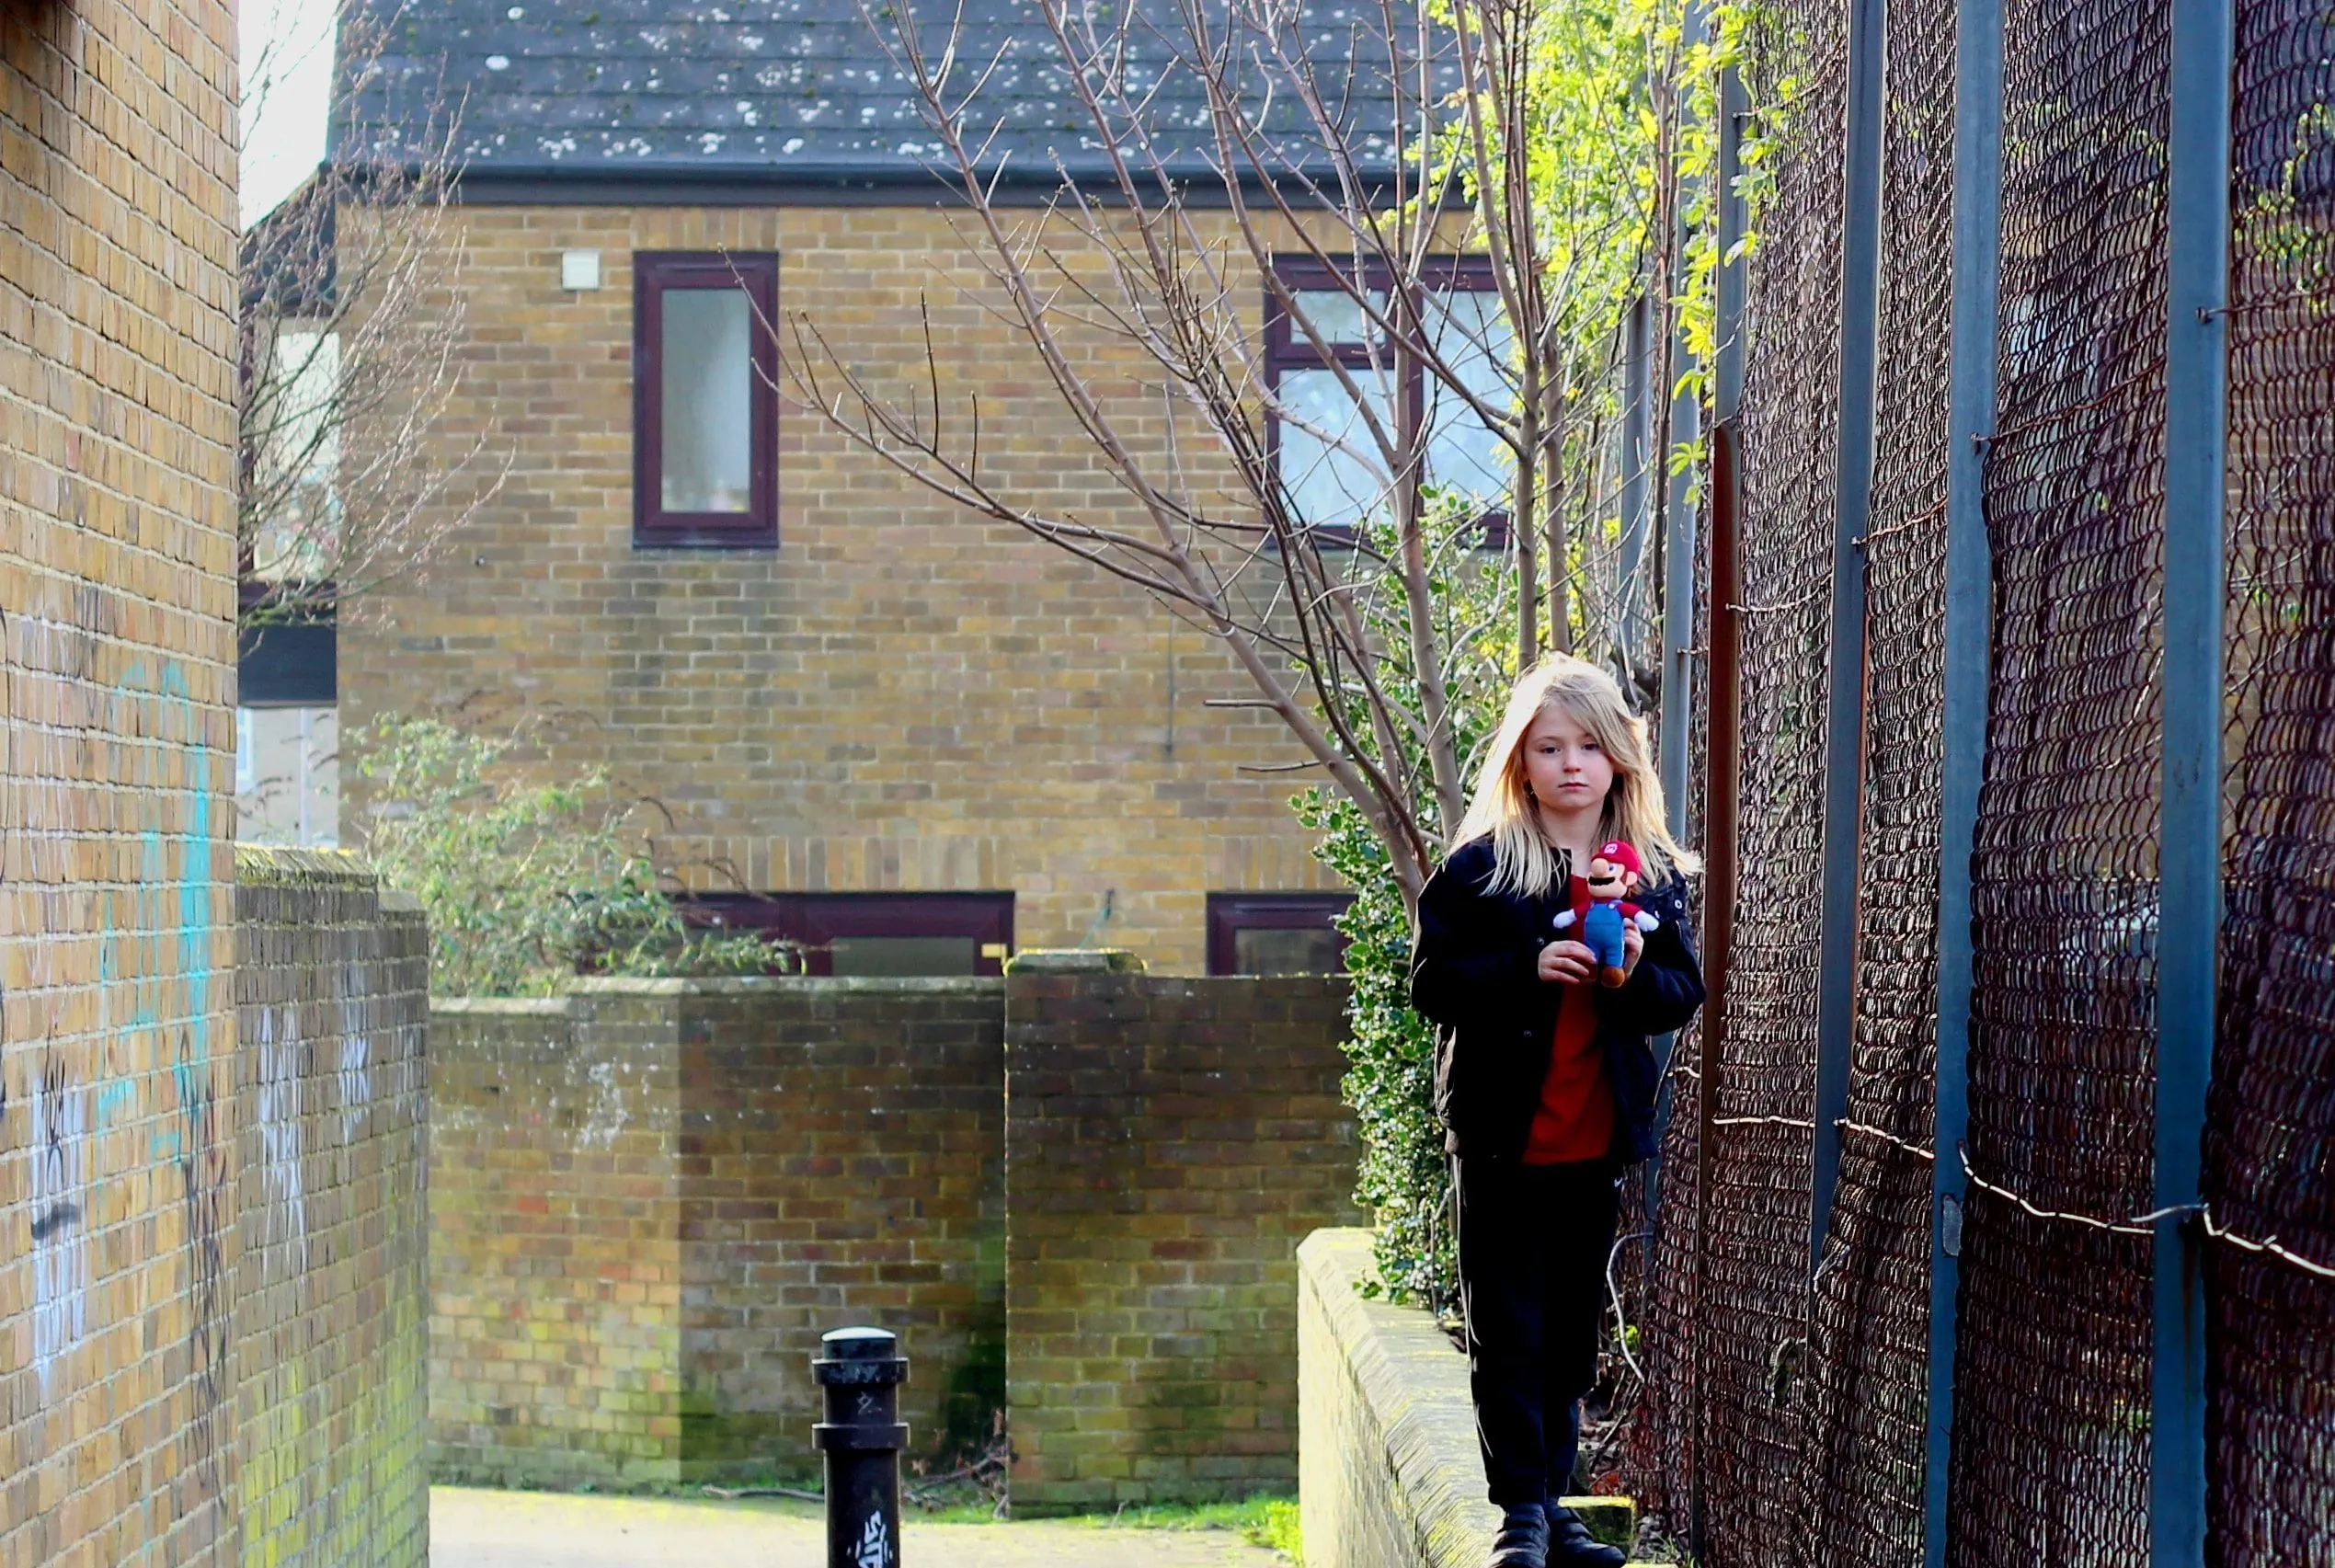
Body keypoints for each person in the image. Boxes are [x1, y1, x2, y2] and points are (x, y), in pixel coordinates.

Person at [1409, 655, 1705, 1568]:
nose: (1570, 763)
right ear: (1520, 761)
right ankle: (1521, 1517)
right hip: (1500, 1135)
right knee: (1506, 1328)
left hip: (1593, 1136)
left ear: (1620, 756)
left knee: (1571, 1335)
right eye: (1548, 746)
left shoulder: (1648, 873)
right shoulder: (1482, 869)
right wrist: (1527, 967)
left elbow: (1677, 990)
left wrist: (1620, 982)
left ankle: (1553, 1504)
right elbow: (1431, 984)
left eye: (1588, 745)